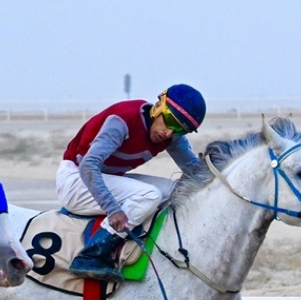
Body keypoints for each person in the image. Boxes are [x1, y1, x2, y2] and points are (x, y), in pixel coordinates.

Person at [58, 85, 207, 279]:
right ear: (160, 105)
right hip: (76, 180)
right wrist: (113, 209)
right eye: (170, 121)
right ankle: (92, 254)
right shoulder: (123, 121)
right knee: (150, 195)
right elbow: (89, 166)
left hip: (105, 179)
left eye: (180, 129)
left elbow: (195, 174)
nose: (169, 133)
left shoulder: (172, 137)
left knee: (177, 191)